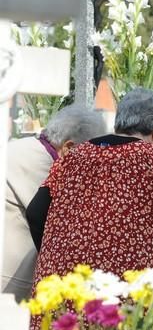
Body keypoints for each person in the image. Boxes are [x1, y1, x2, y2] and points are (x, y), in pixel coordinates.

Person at [26, 88, 153, 330]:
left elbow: (35, 213)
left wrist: (58, 259)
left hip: (67, 294)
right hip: (126, 302)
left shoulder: (73, 157)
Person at [2, 105, 106, 301]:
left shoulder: (23, 146)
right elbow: (61, 222)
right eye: (92, 152)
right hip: (9, 282)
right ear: (69, 147)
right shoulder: (42, 164)